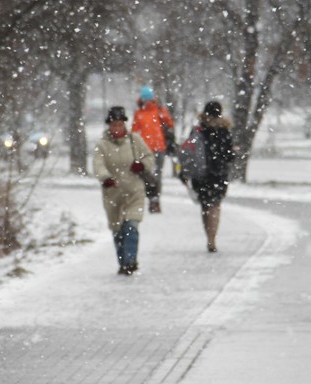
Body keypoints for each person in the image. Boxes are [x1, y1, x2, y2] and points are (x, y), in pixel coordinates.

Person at [93, 105, 155, 275]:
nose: (117, 128)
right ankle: (123, 262)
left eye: (120, 124)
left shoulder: (135, 141)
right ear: (108, 126)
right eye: (113, 125)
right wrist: (105, 178)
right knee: (117, 230)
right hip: (113, 194)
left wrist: (142, 165)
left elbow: (149, 156)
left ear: (125, 124)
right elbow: (98, 164)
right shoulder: (102, 145)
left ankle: (131, 260)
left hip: (135, 190)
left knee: (131, 225)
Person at [185, 100, 234, 253]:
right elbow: (229, 155)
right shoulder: (224, 130)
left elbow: (188, 151)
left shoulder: (198, 130)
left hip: (200, 174)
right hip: (218, 173)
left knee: (205, 206)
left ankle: (208, 236)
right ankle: (212, 238)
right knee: (215, 205)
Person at [131, 85, 175, 213]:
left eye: (150, 99)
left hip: (159, 147)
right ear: (142, 100)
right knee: (148, 175)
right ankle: (151, 197)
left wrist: (164, 117)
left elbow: (170, 123)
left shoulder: (159, 110)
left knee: (157, 175)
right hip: (145, 150)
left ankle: (155, 200)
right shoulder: (139, 114)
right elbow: (134, 132)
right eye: (146, 99)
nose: (148, 102)